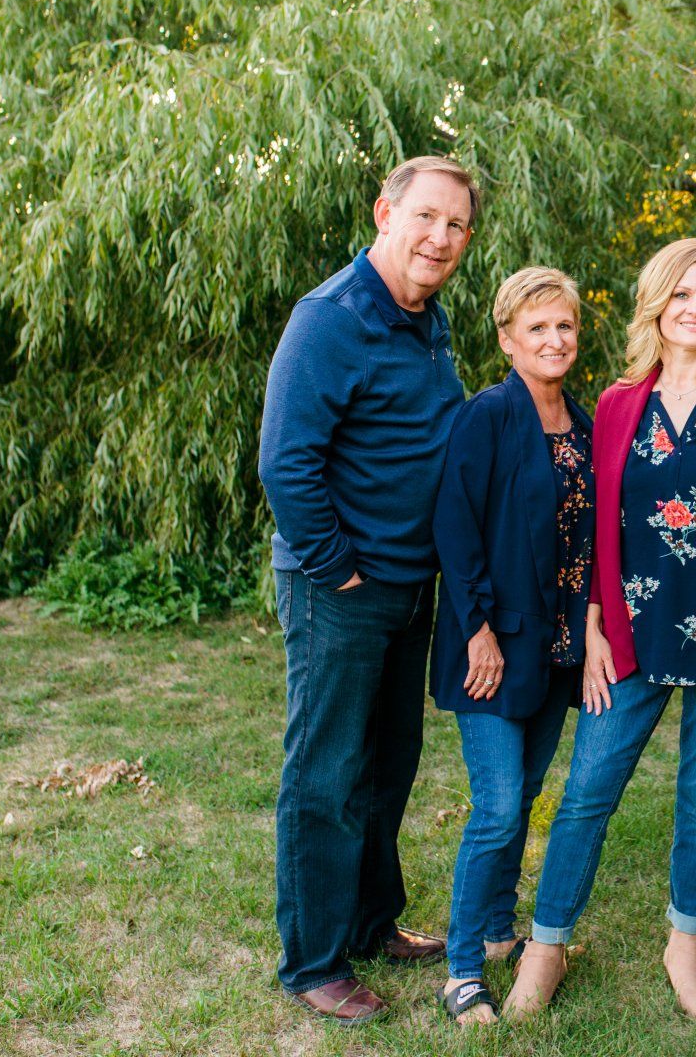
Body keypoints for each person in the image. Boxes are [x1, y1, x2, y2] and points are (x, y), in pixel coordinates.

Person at [507, 238, 696, 1020]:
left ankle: (685, 943)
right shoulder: (617, 403)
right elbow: (601, 524)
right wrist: (596, 625)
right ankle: (546, 946)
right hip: (632, 630)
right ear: (656, 305)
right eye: (682, 294)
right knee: (586, 792)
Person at [256, 155, 477, 1024]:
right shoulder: (331, 319)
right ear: (385, 213)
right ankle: (314, 962)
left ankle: (371, 921)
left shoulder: (426, 317)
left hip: (410, 585)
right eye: (426, 217)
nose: (440, 238)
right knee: (328, 775)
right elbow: (286, 461)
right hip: (341, 589)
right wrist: (338, 566)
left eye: (456, 225)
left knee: (390, 765)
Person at [430, 267, 595, 1026]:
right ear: (507, 339)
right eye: (537, 328)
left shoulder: (584, 426)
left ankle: (500, 929)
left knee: (524, 796)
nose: (553, 340)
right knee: (496, 810)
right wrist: (477, 632)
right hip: (492, 646)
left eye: (564, 326)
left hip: (558, 651)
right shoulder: (488, 416)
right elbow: (454, 527)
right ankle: (463, 970)